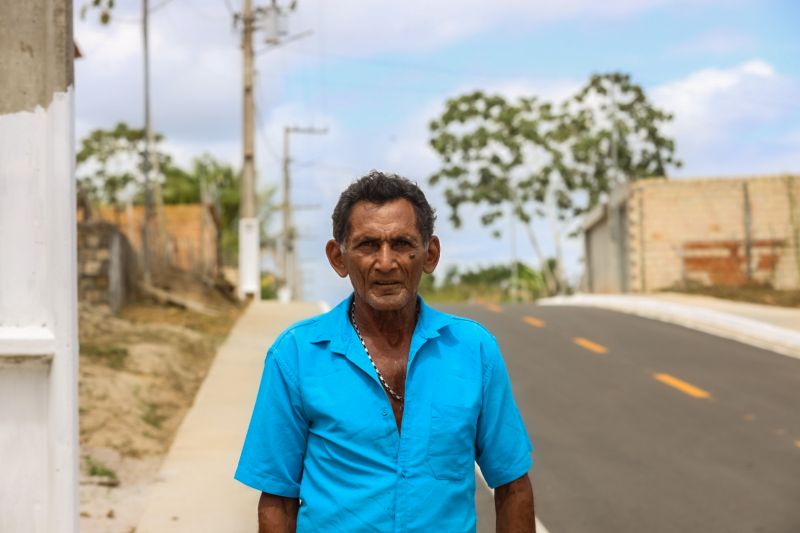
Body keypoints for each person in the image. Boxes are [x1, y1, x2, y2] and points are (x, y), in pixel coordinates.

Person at [235, 170, 535, 532]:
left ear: (430, 254)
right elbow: (278, 501)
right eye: (367, 245)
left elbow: (512, 486)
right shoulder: (295, 354)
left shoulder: (474, 350)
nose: (386, 262)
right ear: (338, 258)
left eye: (403, 244)